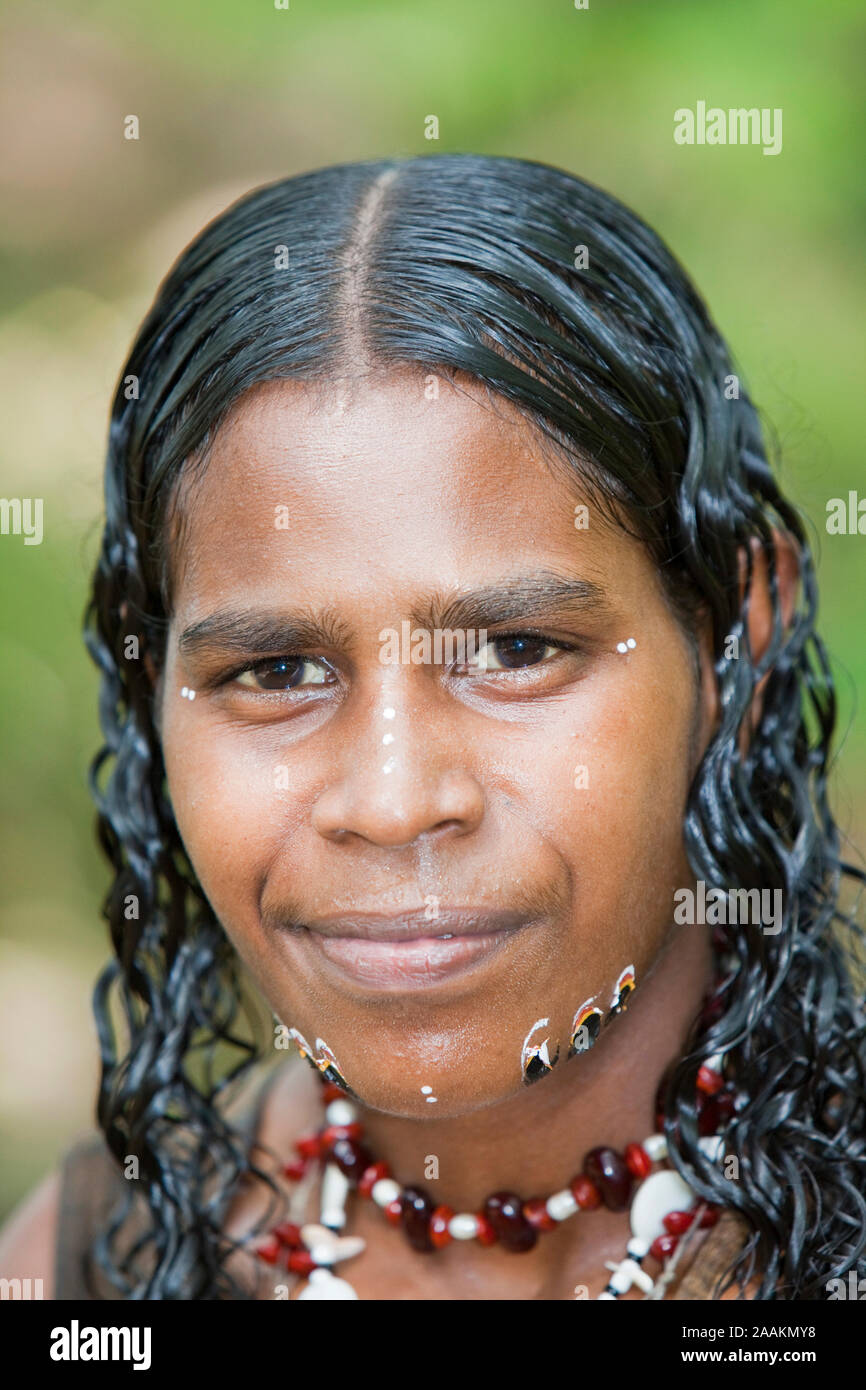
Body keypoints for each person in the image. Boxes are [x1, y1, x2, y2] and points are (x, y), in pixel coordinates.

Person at [2, 153, 864, 1300]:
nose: (394, 799)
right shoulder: (86, 1271)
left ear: (732, 641)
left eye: (515, 651)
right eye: (278, 669)